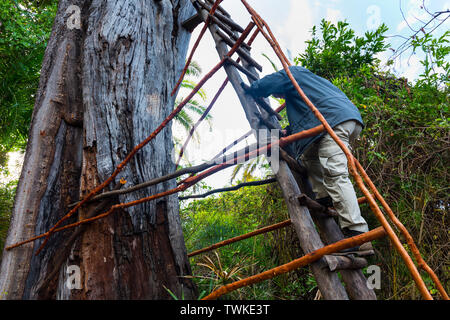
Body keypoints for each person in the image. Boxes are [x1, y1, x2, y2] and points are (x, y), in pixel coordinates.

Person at [244, 66, 373, 256]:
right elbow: (310, 115)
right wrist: (290, 132)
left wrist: (252, 89)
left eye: (280, 94)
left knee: (335, 175)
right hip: (339, 119)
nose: (279, 97)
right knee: (309, 155)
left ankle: (358, 234)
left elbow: (269, 82)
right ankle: (324, 197)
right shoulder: (311, 85)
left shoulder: (292, 73)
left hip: (333, 122)